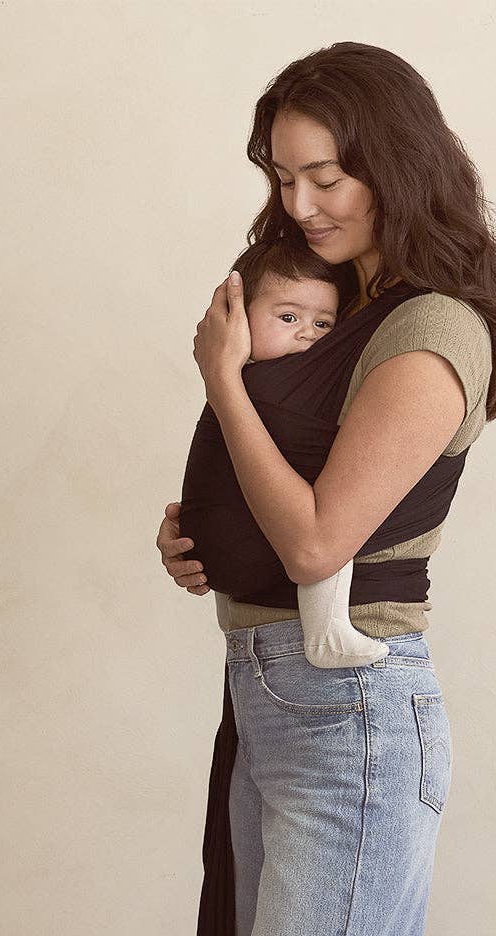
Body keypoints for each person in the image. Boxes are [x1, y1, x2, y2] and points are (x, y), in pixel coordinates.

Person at [156, 40, 496, 936]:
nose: (299, 205)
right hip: (271, 695)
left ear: (395, 165)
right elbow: (289, 482)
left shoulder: (432, 329)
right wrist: (204, 530)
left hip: (349, 713)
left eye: (324, 178)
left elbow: (319, 544)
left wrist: (221, 379)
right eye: (282, 178)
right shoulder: (333, 304)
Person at [179, 236, 391, 668]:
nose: (306, 333)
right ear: (239, 319)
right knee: (334, 511)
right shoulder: (268, 390)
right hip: (254, 568)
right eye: (288, 317)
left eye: (323, 324)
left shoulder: (235, 387)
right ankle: (326, 630)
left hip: (226, 581)